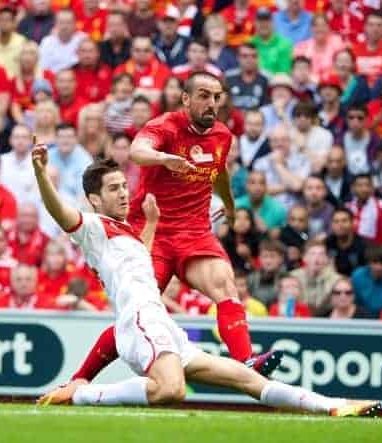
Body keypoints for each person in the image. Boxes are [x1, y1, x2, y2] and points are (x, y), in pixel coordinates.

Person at [35, 154, 378, 417]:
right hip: (141, 323)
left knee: (249, 381)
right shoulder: (93, 227)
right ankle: (80, 393)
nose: (124, 193)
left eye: (124, 185)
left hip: (165, 326)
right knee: (171, 391)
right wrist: (40, 175)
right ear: (94, 200)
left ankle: (333, 405)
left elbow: (140, 257)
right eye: (114, 188)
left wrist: (154, 223)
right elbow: (61, 214)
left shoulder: (124, 234)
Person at [68, 72, 283, 383]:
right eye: (204, 96)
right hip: (152, 232)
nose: (212, 104)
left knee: (225, 285)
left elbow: (219, 172)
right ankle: (80, 379)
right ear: (186, 99)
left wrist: (232, 206)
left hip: (194, 232)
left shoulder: (222, 136)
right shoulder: (164, 127)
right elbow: (137, 152)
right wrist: (164, 158)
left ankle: (245, 360)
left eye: (217, 97)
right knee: (138, 312)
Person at [253, 124, 310, 211]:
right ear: (270, 143)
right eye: (275, 140)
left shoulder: (302, 160)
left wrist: (278, 165)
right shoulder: (260, 163)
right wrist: (290, 186)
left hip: (296, 212)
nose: (279, 144)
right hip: (269, 211)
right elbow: (258, 191)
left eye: (283, 140)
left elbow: (298, 186)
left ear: (290, 141)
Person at [289, 240, 341, 316]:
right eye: (312, 254)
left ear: (326, 259)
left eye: (321, 254)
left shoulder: (337, 281)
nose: (317, 258)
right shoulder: (292, 277)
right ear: (304, 257)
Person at [48, 124, 93, 207]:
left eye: (69, 137)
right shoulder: (48, 155)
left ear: (76, 139)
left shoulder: (85, 160)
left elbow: (84, 197)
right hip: (50, 203)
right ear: (55, 139)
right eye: (61, 137)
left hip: (74, 206)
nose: (65, 141)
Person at [352, 246, 382, 318]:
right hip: (362, 318)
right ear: (368, 263)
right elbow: (354, 303)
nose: (379, 267)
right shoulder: (357, 276)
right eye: (375, 262)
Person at [293, 14, 344, 82]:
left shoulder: (337, 43)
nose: (320, 29)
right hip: (308, 84)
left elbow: (342, 68)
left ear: (329, 28)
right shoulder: (302, 47)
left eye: (323, 25)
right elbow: (295, 70)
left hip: (331, 85)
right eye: (316, 26)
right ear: (311, 28)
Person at [346, 174, 382, 245]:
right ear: (352, 188)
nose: (364, 189)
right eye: (360, 185)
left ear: (372, 188)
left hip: (375, 249)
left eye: (367, 185)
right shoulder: (347, 207)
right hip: (352, 249)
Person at [351, 13, 382, 87]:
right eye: (371, 25)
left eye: (379, 25)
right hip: (359, 90)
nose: (375, 29)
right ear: (364, 27)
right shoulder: (355, 49)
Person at [38, 9, 86, 73]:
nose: (64, 26)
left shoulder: (83, 40)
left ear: (75, 24)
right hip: (53, 79)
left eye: (68, 22)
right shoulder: (47, 42)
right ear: (55, 24)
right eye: (61, 22)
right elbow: (42, 68)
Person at [225, 43, 269, 111]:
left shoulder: (266, 79)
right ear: (238, 58)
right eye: (245, 56)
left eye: (254, 56)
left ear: (258, 58)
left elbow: (267, 107)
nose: (249, 60)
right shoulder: (228, 78)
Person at [325, 208, 366, 277]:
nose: (340, 225)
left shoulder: (363, 246)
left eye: (344, 221)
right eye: (336, 221)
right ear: (331, 224)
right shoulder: (327, 243)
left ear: (352, 223)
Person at [251, 8, 292, 75]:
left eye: (267, 20)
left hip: (278, 83)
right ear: (255, 23)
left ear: (273, 23)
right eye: (260, 21)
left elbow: (285, 72)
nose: (263, 24)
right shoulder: (249, 44)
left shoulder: (284, 44)